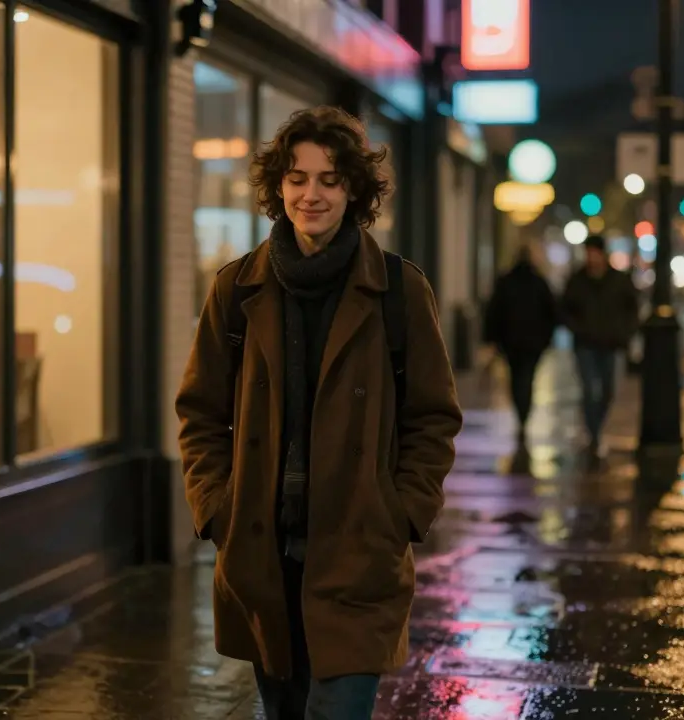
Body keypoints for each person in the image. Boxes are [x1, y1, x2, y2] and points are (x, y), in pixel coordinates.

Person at [175, 106, 463, 720]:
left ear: (354, 189)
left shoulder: (399, 289)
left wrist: (402, 512)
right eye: (298, 178)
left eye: (330, 179)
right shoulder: (236, 288)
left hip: (360, 554)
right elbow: (200, 411)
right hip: (263, 557)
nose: (312, 194)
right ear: (278, 187)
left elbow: (433, 417)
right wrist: (217, 508)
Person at [561, 235, 640, 453]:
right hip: (585, 344)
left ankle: (597, 428)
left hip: (610, 343)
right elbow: (565, 308)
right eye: (589, 253)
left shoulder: (618, 280)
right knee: (589, 389)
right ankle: (593, 433)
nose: (592, 257)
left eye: (595, 252)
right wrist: (577, 328)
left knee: (607, 390)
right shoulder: (577, 280)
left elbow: (632, 308)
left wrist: (625, 332)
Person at [483, 242, 559, 442]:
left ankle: (521, 414)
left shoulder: (506, 282)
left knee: (516, 379)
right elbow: (552, 313)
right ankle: (523, 415)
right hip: (533, 343)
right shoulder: (539, 282)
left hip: (512, 342)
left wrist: (492, 338)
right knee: (527, 379)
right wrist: (546, 337)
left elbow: (493, 312)